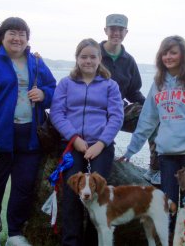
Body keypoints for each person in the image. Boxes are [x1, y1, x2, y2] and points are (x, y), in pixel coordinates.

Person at [0, 17, 56, 246]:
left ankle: (15, 233)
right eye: (12, 33)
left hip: (29, 138)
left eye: (22, 34)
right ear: (3, 37)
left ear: (28, 39)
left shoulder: (36, 63)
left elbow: (56, 89)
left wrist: (44, 94)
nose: (17, 38)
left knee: (23, 187)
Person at [120, 35, 185, 232]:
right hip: (167, 152)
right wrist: (130, 151)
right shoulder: (158, 83)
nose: (168, 57)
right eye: (165, 53)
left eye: (173, 52)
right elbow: (147, 120)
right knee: (169, 206)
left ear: (183, 55)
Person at [50, 38, 124, 246]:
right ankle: (70, 242)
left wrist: (100, 143)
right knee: (72, 195)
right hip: (72, 145)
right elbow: (57, 113)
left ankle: (93, 241)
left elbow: (116, 117)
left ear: (100, 59)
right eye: (84, 56)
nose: (88, 61)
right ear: (77, 58)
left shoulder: (111, 86)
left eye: (93, 56)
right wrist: (75, 138)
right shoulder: (66, 83)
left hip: (101, 146)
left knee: (97, 196)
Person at [100, 13, 160, 184]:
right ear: (106, 30)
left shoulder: (129, 61)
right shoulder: (92, 53)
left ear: (126, 32)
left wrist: (153, 108)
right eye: (113, 29)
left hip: (119, 110)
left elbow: (134, 92)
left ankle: (155, 170)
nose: (116, 33)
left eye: (120, 30)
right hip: (94, 112)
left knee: (153, 118)